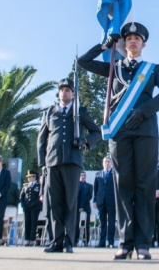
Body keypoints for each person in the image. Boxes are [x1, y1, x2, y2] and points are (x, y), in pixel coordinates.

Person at [78, 22, 159, 260]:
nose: (132, 41)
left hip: (146, 132)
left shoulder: (153, 69)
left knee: (144, 186)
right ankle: (125, 242)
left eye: (137, 38)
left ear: (143, 44)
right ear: (123, 43)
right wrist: (105, 44)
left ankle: (143, 243)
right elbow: (83, 63)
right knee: (123, 187)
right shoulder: (114, 67)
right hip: (120, 131)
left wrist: (144, 111)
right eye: (128, 38)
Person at [37, 78, 101, 254]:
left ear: (73, 93)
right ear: (59, 93)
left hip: (72, 163)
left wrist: (85, 141)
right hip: (53, 162)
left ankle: (69, 241)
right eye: (62, 89)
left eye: (68, 89)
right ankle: (55, 241)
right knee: (54, 203)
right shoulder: (50, 112)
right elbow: (41, 140)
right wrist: (42, 164)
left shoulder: (79, 112)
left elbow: (97, 132)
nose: (64, 92)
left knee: (70, 203)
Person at [93, 156, 116, 248]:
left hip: (111, 201)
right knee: (102, 223)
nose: (107, 163)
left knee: (111, 222)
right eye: (105, 162)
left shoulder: (114, 174)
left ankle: (111, 242)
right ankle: (101, 242)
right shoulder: (98, 174)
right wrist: (95, 200)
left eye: (109, 161)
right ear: (103, 163)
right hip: (101, 201)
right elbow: (96, 189)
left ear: (111, 163)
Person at [21, 170, 42, 246]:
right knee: (27, 223)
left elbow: (39, 197)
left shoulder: (38, 186)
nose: (29, 178)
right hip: (27, 207)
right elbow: (22, 196)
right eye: (28, 177)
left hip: (35, 208)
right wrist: (23, 205)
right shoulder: (26, 186)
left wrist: (34, 204)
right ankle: (27, 239)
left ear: (34, 177)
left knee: (33, 223)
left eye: (30, 177)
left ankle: (32, 239)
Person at [75, 171, 93, 246]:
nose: (83, 176)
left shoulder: (89, 186)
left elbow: (90, 196)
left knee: (86, 224)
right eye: (81, 175)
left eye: (84, 175)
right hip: (77, 206)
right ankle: (75, 239)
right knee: (76, 223)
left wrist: (83, 202)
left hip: (86, 207)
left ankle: (86, 240)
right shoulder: (76, 185)